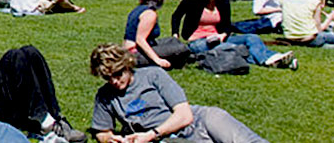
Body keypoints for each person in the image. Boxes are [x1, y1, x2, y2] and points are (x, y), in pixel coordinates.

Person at [89, 43, 269, 143]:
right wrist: (111, 140)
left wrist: (152, 134)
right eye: (107, 77)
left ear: (127, 65)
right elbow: (102, 131)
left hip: (198, 121)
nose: (114, 81)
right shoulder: (105, 96)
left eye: (118, 74)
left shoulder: (153, 74)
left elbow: (184, 114)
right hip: (167, 139)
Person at [171, 0, 296, 69]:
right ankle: (273, 58)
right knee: (233, 48)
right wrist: (175, 36)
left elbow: (226, 25)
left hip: (217, 38)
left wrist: (222, 35)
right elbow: (176, 16)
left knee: (251, 38)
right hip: (197, 41)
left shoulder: (223, 2)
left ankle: (271, 59)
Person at [123, 0, 171, 69]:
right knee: (180, 49)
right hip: (135, 54)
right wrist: (157, 60)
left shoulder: (138, 9)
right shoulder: (150, 14)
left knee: (172, 41)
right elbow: (140, 40)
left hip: (130, 51)